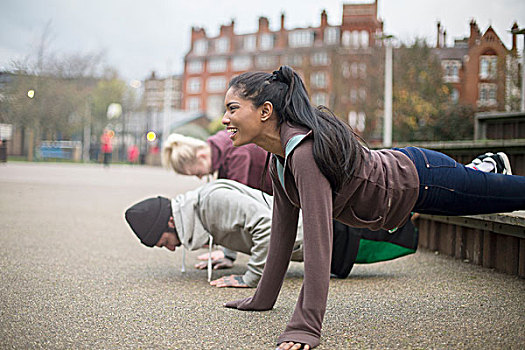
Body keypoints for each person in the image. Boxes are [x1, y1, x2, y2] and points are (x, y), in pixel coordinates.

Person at [220, 65, 525, 350]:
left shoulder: (304, 154)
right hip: (412, 180)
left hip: (424, 179)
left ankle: (488, 168)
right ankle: (486, 167)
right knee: (484, 189)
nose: (224, 119)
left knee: (511, 195)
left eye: (232, 108)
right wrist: (262, 298)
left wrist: (306, 326)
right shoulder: (281, 160)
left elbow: (318, 242)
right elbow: (283, 234)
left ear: (265, 111)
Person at [125, 179, 305, 287]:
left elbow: (267, 224)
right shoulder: (196, 210)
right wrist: (228, 255)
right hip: (310, 244)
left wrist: (251, 277)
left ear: (171, 222)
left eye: (165, 242)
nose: (172, 248)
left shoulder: (211, 200)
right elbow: (232, 223)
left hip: (320, 237)